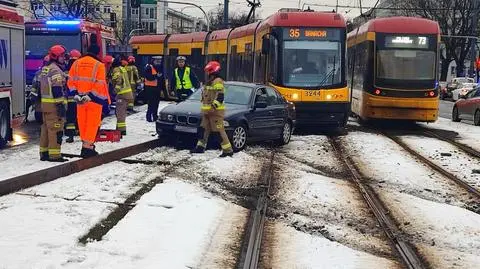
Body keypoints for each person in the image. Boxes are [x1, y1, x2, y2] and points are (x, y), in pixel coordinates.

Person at [68, 37, 110, 158]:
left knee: (82, 122)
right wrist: (90, 96)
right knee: (92, 123)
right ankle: (88, 148)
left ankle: (85, 146)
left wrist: (75, 93)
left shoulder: (76, 63)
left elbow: (70, 80)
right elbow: (100, 84)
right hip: (93, 100)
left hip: (79, 99)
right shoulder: (99, 65)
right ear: (97, 53)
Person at [191, 61, 233, 158]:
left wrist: (213, 107)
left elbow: (220, 97)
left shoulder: (217, 81)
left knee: (219, 131)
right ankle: (200, 147)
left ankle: (228, 150)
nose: (207, 73)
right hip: (207, 112)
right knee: (203, 130)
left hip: (215, 112)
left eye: (209, 71)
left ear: (213, 71)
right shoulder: (210, 81)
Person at [37, 45, 68, 162]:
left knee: (45, 129)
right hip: (54, 105)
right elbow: (57, 89)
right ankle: (55, 155)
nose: (64, 58)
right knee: (55, 129)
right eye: (62, 56)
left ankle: (44, 153)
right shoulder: (55, 69)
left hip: (45, 105)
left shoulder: (46, 68)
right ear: (56, 56)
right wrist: (60, 105)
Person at [111, 55, 134, 135]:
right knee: (121, 112)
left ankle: (121, 131)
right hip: (128, 94)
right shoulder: (122, 68)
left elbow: (119, 81)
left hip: (122, 94)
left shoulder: (116, 69)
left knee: (120, 113)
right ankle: (119, 129)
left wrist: (115, 91)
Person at [64, 49, 81, 143]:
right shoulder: (80, 68)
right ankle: (80, 132)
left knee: (70, 117)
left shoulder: (67, 68)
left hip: (70, 97)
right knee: (79, 116)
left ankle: (70, 136)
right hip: (80, 96)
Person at [27, 55, 50, 124]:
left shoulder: (38, 73)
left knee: (41, 119)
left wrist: (33, 97)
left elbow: (34, 86)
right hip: (46, 99)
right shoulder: (55, 72)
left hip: (41, 98)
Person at [144, 56, 166, 122]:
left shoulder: (160, 68)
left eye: (159, 61)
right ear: (153, 61)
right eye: (157, 61)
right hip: (150, 89)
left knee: (156, 104)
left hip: (157, 89)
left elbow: (162, 80)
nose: (158, 62)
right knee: (151, 104)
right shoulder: (149, 67)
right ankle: (149, 117)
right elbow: (148, 77)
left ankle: (155, 116)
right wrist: (156, 76)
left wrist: (163, 90)